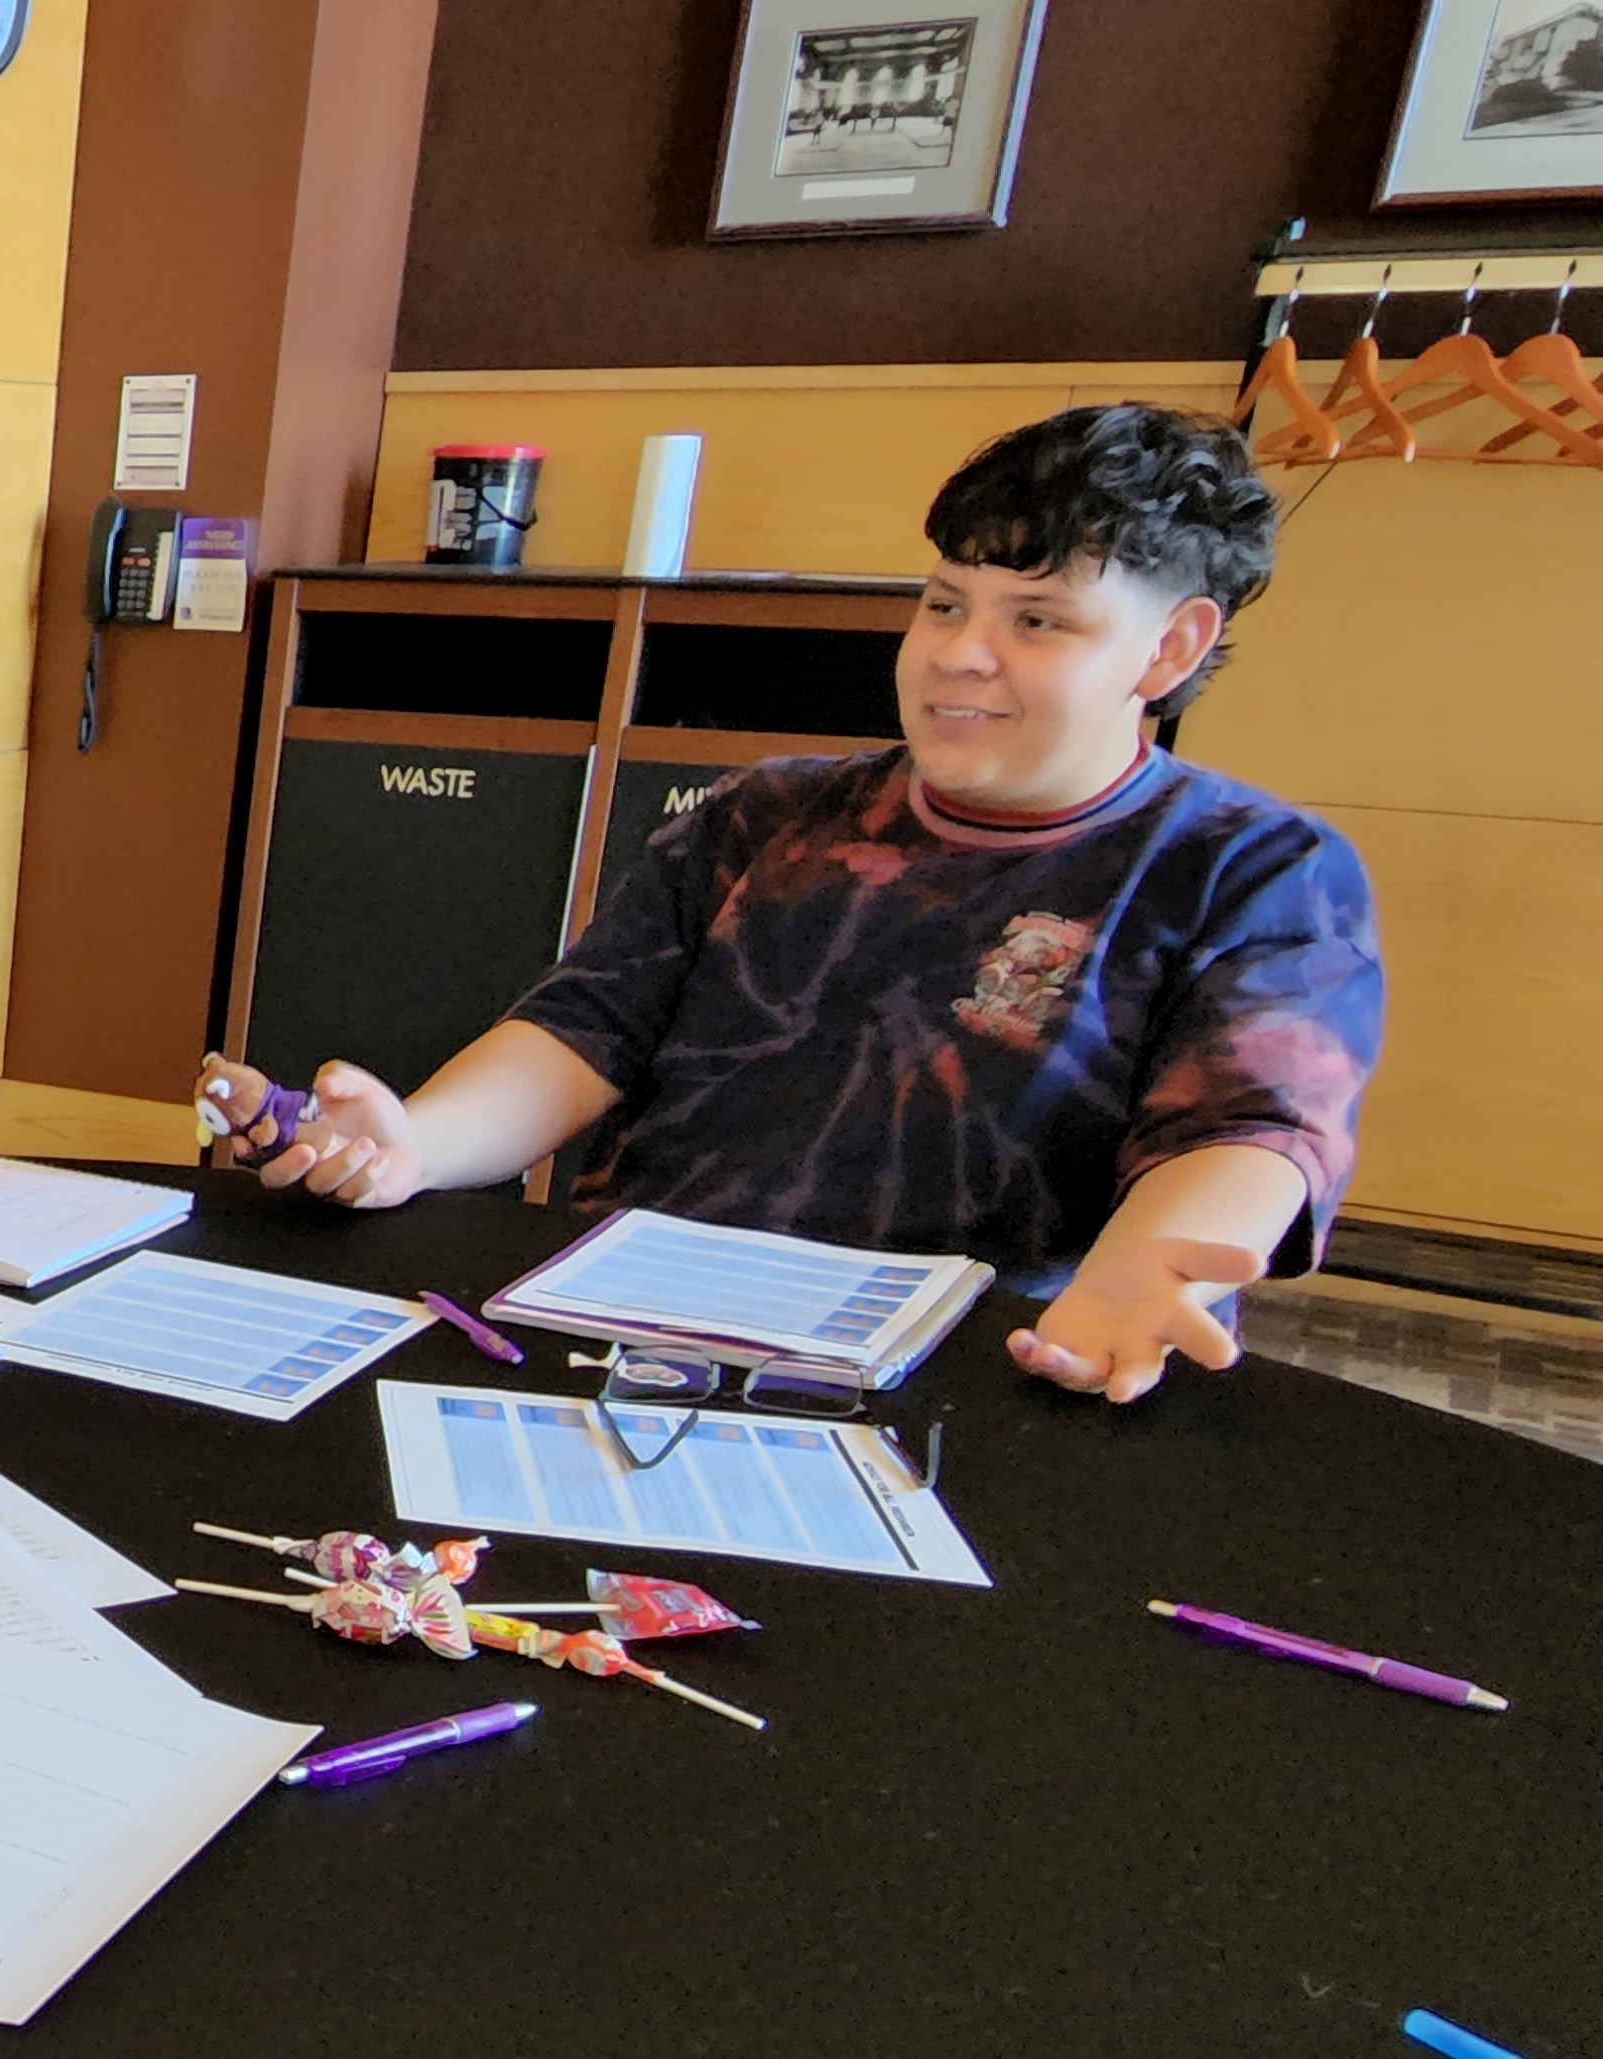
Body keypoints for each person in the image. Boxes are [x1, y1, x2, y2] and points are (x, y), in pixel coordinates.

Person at [201, 403, 1386, 1405]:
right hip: (628, 1333)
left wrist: (1148, 1264)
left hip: (969, 1367)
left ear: (1170, 650)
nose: (960, 655)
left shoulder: (1255, 865)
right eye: (941, 604)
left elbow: (1251, 1127)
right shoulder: (768, 814)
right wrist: (420, 1143)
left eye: (1036, 621)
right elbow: (585, 1029)